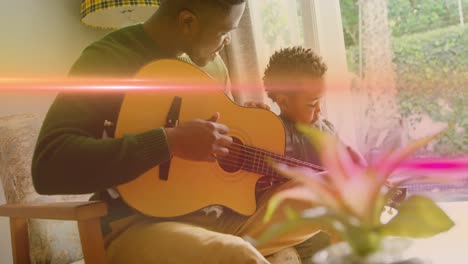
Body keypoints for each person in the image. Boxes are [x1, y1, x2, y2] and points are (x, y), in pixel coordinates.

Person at [32, 1, 322, 263]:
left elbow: (204, 169)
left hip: (215, 219)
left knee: (332, 196)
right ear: (187, 22)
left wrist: (242, 131)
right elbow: (48, 166)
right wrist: (169, 142)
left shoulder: (213, 66)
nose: (227, 41)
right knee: (237, 255)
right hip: (134, 226)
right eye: (223, 32)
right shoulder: (107, 60)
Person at [261, 46, 367, 263]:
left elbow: (350, 158)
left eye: (321, 101)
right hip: (299, 239)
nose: (319, 110)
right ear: (283, 101)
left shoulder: (325, 128)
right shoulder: (272, 132)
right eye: (312, 104)